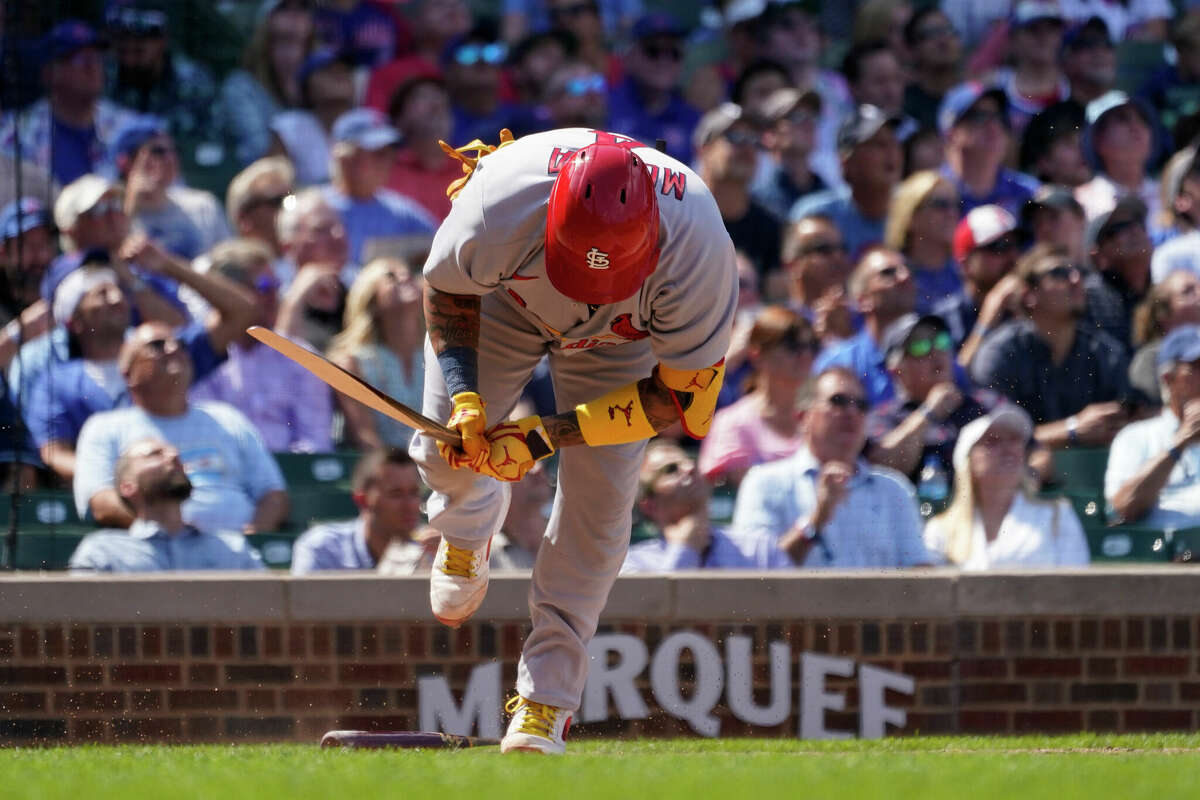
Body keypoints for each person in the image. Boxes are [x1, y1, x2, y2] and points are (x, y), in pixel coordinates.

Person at [411, 129, 736, 754]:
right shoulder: (501, 197)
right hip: (506, 304)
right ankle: (470, 524)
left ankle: (545, 702)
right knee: (438, 450)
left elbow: (676, 402)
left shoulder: (700, 246)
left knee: (598, 510)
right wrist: (467, 399)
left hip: (623, 342)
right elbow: (448, 289)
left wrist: (542, 438)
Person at [26, 238, 255, 481]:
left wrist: (169, 265)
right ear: (74, 320)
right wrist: (123, 480)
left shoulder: (165, 351)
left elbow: (242, 312)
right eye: (102, 294)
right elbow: (54, 453)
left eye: (119, 289)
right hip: (114, 503)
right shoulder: (58, 382)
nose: (117, 298)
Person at [73, 322, 290, 533]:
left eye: (180, 345)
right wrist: (173, 532)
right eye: (157, 345)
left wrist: (251, 537)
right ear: (127, 373)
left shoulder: (227, 418)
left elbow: (272, 493)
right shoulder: (104, 428)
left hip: (235, 554)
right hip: (155, 555)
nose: (173, 348)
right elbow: (100, 502)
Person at [731, 366, 931, 568]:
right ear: (803, 416)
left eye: (861, 405)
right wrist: (816, 521)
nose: (852, 412)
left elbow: (920, 575)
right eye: (838, 401)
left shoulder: (894, 490)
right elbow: (752, 574)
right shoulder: (765, 483)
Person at [970, 243, 1131, 447]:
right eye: (1059, 273)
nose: (1076, 280)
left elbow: (1127, 425)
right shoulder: (1001, 354)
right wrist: (1071, 430)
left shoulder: (1106, 353)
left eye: (1079, 271)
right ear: (1029, 294)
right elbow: (989, 435)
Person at [189, 239, 333, 454]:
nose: (275, 297)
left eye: (277, 286)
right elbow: (204, 432)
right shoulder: (199, 354)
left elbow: (315, 442)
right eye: (264, 287)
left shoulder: (301, 357)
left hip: (291, 479)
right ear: (229, 293)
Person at [924, 406, 1089, 569]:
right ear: (968, 460)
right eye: (992, 441)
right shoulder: (939, 530)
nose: (1007, 449)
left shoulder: (1059, 516)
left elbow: (1076, 589)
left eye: (1014, 440)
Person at [68, 438, 265, 573]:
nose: (173, 456)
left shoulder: (231, 549)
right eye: (155, 454)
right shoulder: (103, 553)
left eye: (174, 453)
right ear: (128, 486)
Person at [867, 313, 1001, 485]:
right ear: (896, 369)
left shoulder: (985, 403)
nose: (936, 351)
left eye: (941, 341)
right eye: (920, 346)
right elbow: (882, 468)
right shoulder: (883, 417)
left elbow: (1031, 449)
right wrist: (928, 412)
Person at [0, 20, 138, 185]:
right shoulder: (15, 133)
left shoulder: (131, 127)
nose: (92, 67)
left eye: (97, 57)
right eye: (81, 59)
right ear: (50, 72)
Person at [699, 307, 817, 487]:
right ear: (757, 354)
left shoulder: (819, 418)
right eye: (792, 345)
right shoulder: (733, 422)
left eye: (811, 346)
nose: (805, 355)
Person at [1107, 325, 1200, 528]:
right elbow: (1121, 509)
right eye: (1197, 367)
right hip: (1162, 553)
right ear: (1168, 379)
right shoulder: (1136, 436)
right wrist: (1180, 442)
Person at [327, 258, 425, 449]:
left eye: (408, 272)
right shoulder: (351, 364)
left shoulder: (439, 357)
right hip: (386, 472)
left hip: (442, 471)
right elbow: (366, 437)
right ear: (372, 300)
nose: (405, 277)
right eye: (391, 276)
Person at [321, 108, 437, 268]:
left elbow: (441, 250)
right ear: (347, 158)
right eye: (378, 153)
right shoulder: (315, 211)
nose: (387, 161)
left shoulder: (403, 213)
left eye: (390, 152)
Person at [623, 441, 757, 572]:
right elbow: (662, 595)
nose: (690, 468)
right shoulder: (632, 564)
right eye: (671, 469)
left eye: (692, 461)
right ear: (649, 505)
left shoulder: (758, 547)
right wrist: (685, 548)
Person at [789, 105, 902, 259]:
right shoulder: (816, 214)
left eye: (894, 143)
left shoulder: (913, 213)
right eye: (878, 144)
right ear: (847, 161)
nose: (891, 153)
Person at [112, 117, 232, 261]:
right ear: (125, 162)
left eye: (174, 150)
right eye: (158, 151)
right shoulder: (107, 210)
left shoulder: (202, 206)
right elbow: (112, 262)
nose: (170, 158)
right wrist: (131, 205)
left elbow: (229, 264)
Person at [292, 447, 429, 573]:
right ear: (362, 500)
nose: (410, 505)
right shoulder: (322, 548)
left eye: (414, 493)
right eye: (395, 494)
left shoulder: (435, 550)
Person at [103, 2, 218, 150]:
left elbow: (211, 142)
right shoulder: (105, 75)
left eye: (140, 41)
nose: (129, 45)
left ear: (163, 41)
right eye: (122, 38)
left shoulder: (193, 81)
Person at [813, 247, 917, 405]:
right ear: (863, 300)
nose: (905, 277)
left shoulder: (937, 350)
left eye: (908, 269)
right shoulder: (838, 362)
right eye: (888, 273)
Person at [217, 0, 316, 166]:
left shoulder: (325, 80)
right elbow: (263, 157)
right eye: (284, 7)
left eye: (303, 7)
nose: (295, 14)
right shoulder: (241, 87)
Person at [693, 103, 781, 276]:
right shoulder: (679, 215)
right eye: (736, 136)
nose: (748, 148)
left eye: (755, 140)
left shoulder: (769, 226)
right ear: (704, 149)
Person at [934, 204, 1023, 365]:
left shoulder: (1030, 304)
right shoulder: (944, 318)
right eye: (998, 247)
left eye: (1016, 245)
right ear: (965, 264)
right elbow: (956, 378)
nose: (1012, 256)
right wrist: (988, 318)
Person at [605, 13, 700, 163]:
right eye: (653, 51)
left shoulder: (694, 120)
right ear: (629, 55)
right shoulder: (603, 106)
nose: (664, 61)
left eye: (674, 53)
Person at [939, 82, 1040, 217]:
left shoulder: (1029, 193)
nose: (994, 127)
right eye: (980, 117)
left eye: (1000, 117)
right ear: (951, 133)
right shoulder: (932, 197)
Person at [1074, 91, 1163, 239]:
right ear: (1097, 139)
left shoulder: (1170, 196)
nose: (1136, 127)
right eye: (1122, 119)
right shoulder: (1081, 202)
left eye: (1142, 119)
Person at [386, 77, 464, 223]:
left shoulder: (476, 169)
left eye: (442, 100)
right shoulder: (383, 173)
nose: (436, 105)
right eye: (422, 97)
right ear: (399, 121)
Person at [884, 170, 962, 312]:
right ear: (910, 215)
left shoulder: (965, 272)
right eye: (940, 204)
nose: (952, 213)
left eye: (956, 205)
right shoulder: (890, 276)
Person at [1082, 196, 1152, 352]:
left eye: (1138, 223)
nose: (1134, 230)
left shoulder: (1163, 289)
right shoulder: (1086, 298)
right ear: (1098, 256)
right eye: (1119, 229)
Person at [990, 1, 1071, 136]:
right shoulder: (992, 86)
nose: (1044, 37)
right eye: (1033, 29)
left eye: (1052, 29)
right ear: (1014, 38)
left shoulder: (1076, 87)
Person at [751, 88, 826, 224]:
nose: (808, 124)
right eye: (797, 117)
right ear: (769, 134)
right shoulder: (756, 198)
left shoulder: (829, 192)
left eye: (813, 116)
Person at [777, 215, 855, 343]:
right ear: (792, 264)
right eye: (823, 249)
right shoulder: (777, 324)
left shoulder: (867, 315)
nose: (838, 257)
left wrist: (847, 333)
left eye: (843, 248)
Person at [1128, 269, 1200, 405]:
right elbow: (1149, 409)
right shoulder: (1149, 359)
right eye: (1188, 291)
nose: (1199, 294)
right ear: (1164, 313)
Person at [221, 156, 296, 286]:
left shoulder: (307, 260)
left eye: (291, 198)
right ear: (244, 218)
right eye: (276, 201)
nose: (289, 207)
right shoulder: (221, 269)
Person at [902, 7, 963, 131]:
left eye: (948, 30)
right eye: (931, 33)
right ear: (912, 48)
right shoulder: (904, 106)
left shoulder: (974, 97)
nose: (943, 40)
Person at [1019, 102, 1092, 189]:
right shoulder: (1024, 200)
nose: (1083, 149)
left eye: (1085, 139)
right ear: (1044, 162)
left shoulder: (1109, 195)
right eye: (1068, 143)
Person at [1022, 183, 1088, 262]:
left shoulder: (1103, 267)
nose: (1045, 228)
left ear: (1080, 217)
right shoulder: (1026, 273)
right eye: (1037, 222)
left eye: (1054, 217)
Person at [1062, 16, 1117, 107]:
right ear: (1066, 58)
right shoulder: (1050, 108)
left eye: (1107, 44)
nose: (1100, 53)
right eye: (1088, 44)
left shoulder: (1127, 107)